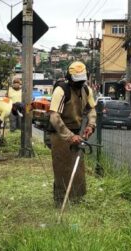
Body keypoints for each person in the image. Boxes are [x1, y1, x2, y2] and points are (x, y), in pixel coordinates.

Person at [49, 61, 97, 207]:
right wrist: (69, 136)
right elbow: (54, 117)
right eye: (77, 81)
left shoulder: (86, 90)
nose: (80, 84)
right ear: (69, 77)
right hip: (59, 132)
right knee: (62, 167)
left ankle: (77, 199)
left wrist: (90, 125)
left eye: (82, 80)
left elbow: (91, 110)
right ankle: (60, 200)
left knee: (78, 167)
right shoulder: (61, 90)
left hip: (76, 132)